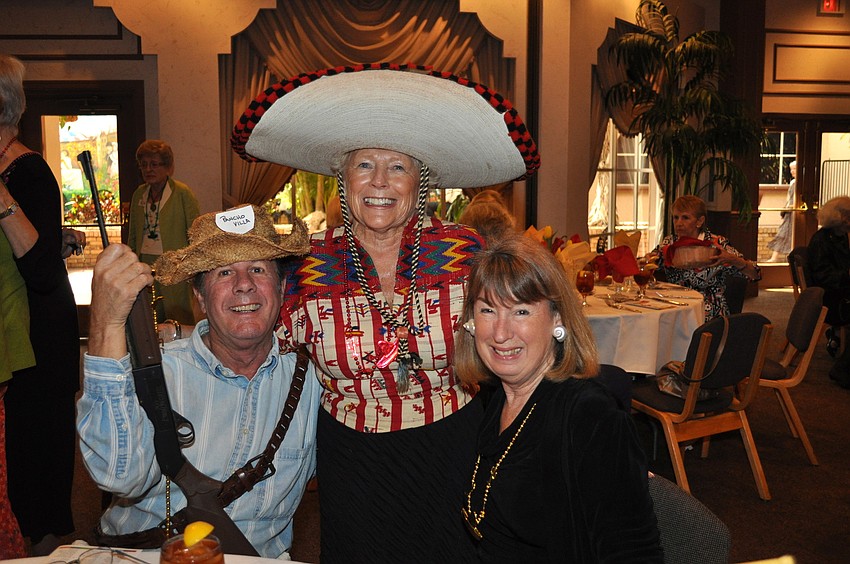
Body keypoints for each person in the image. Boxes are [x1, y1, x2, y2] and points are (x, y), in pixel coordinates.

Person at [231, 63, 539, 562]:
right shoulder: (306, 263)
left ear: (420, 181)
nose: (380, 181)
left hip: (454, 446)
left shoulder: (464, 251)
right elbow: (254, 347)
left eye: (397, 167)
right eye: (364, 165)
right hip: (352, 457)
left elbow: (516, 335)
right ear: (343, 177)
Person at [76, 205, 321, 558]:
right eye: (224, 272)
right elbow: (118, 476)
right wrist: (106, 324)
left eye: (257, 268)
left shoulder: (315, 378)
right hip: (149, 556)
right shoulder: (160, 373)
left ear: (281, 288)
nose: (244, 284)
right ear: (201, 297)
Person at [454, 235, 663, 561]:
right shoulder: (497, 398)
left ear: (558, 319)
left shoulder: (589, 416)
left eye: (521, 311)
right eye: (488, 310)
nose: (500, 333)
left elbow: (634, 554)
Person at [0, 54, 80, 556]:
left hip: (38, 329)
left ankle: (42, 541)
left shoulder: (27, 170)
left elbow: (43, 269)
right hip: (14, 325)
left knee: (35, 440)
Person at [650, 195, 761, 320]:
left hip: (709, 309)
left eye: (685, 218)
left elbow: (756, 274)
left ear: (699, 221)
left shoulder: (717, 244)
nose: (678, 223)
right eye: (676, 217)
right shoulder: (669, 243)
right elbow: (649, 264)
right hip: (675, 305)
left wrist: (733, 259)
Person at [127, 139, 200, 325]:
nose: (148, 169)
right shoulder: (139, 194)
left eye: (154, 164)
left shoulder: (182, 193)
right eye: (144, 164)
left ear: (168, 167)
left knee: (177, 314)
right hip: (144, 263)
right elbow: (133, 234)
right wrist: (131, 262)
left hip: (173, 264)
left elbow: (195, 232)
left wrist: (192, 266)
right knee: (148, 314)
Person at [806, 196, 850, 387]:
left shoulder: (843, 237)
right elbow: (824, 276)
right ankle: (843, 369)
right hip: (830, 299)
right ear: (839, 217)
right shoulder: (821, 240)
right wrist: (847, 275)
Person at [768, 160, 797, 262]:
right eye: (791, 169)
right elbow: (789, 197)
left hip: (795, 212)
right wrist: (785, 208)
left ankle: (791, 258)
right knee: (783, 232)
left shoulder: (801, 183)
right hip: (789, 211)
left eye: (794, 169)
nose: (792, 171)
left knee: (793, 235)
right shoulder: (793, 182)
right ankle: (774, 257)